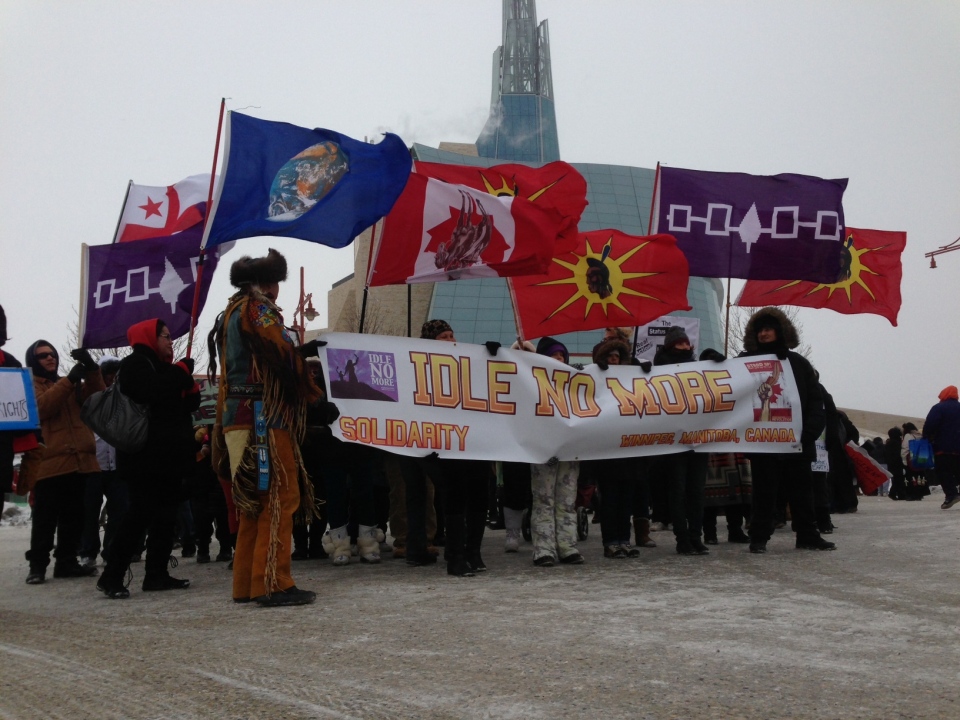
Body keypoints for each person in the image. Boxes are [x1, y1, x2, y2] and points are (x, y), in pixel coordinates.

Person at [208, 249, 324, 607]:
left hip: (236, 417)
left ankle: (246, 582)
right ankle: (273, 582)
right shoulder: (258, 310)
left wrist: (299, 353)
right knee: (279, 496)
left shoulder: (231, 311)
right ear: (268, 284)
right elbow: (278, 353)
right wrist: (311, 388)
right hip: (263, 418)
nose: (277, 290)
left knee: (253, 504)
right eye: (275, 282)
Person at [96, 319, 199, 598]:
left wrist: (189, 387)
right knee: (138, 516)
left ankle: (156, 573)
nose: (170, 341)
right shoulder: (135, 364)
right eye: (164, 336)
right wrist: (179, 374)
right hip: (145, 459)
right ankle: (112, 575)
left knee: (166, 517)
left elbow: (181, 405)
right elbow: (150, 391)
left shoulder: (164, 367)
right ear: (149, 338)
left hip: (167, 458)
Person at [738, 307, 835, 553]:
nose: (763, 333)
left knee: (803, 493)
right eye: (759, 330)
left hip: (798, 441)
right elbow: (722, 382)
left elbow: (816, 401)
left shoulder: (799, 363)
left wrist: (810, 432)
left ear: (780, 331)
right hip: (763, 442)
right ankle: (758, 537)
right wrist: (715, 358)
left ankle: (807, 535)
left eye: (768, 328)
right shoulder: (745, 363)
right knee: (764, 493)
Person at [400, 320, 491, 576]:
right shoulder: (418, 370)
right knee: (454, 495)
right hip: (441, 444)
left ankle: (473, 551)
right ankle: (455, 556)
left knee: (480, 494)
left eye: (452, 335)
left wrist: (492, 355)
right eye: (443, 337)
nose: (451, 340)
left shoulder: (468, 365)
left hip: (473, 441)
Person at [22, 341, 104, 583]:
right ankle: (37, 566)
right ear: (33, 360)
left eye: (52, 354)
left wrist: (91, 370)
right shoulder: (31, 385)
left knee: (75, 516)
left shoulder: (67, 384)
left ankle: (66, 562)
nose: (50, 358)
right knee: (45, 518)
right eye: (42, 356)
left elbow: (96, 397)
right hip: (49, 462)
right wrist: (69, 381)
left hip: (80, 460)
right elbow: (43, 407)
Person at [653, 327, 714, 555]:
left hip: (697, 439)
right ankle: (682, 538)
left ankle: (696, 536)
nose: (684, 347)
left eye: (686, 343)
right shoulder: (658, 369)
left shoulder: (698, 367)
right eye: (679, 343)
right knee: (677, 490)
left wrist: (715, 361)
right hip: (673, 440)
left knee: (697, 490)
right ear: (670, 346)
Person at [529, 336, 583, 566]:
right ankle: (544, 548)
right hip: (545, 448)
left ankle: (567, 545)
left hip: (570, 450)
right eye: (554, 355)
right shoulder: (533, 382)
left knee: (567, 499)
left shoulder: (577, 383)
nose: (559, 359)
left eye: (562, 355)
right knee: (544, 499)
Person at [586, 335, 640, 559]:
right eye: (610, 356)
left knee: (626, 500)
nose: (614, 360)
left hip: (627, 449)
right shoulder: (593, 378)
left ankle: (624, 540)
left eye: (617, 356)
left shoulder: (630, 379)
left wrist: (642, 369)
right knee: (609, 500)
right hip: (607, 450)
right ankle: (610, 542)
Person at [78, 356, 129, 568]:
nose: (113, 379)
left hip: (117, 464)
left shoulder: (126, 398)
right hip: (93, 463)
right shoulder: (88, 396)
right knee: (89, 511)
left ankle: (112, 551)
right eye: (109, 375)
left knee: (121, 510)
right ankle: (88, 552)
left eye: (117, 375)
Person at [923, 386, 960, 509]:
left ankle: (951, 495)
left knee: (944, 471)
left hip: (943, 447)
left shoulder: (939, 408)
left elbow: (930, 425)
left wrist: (926, 437)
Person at [901, 422, 929, 500]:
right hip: (921, 458)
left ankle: (912, 494)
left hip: (911, 459)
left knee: (911, 477)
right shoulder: (920, 435)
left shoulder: (908, 436)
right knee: (920, 476)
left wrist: (904, 459)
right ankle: (920, 493)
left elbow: (905, 448)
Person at [885, 427, 907, 500]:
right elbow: (898, 454)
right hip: (897, 464)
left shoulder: (889, 443)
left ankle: (895, 493)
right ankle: (896, 494)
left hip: (891, 464)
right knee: (899, 479)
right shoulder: (897, 443)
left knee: (896, 479)